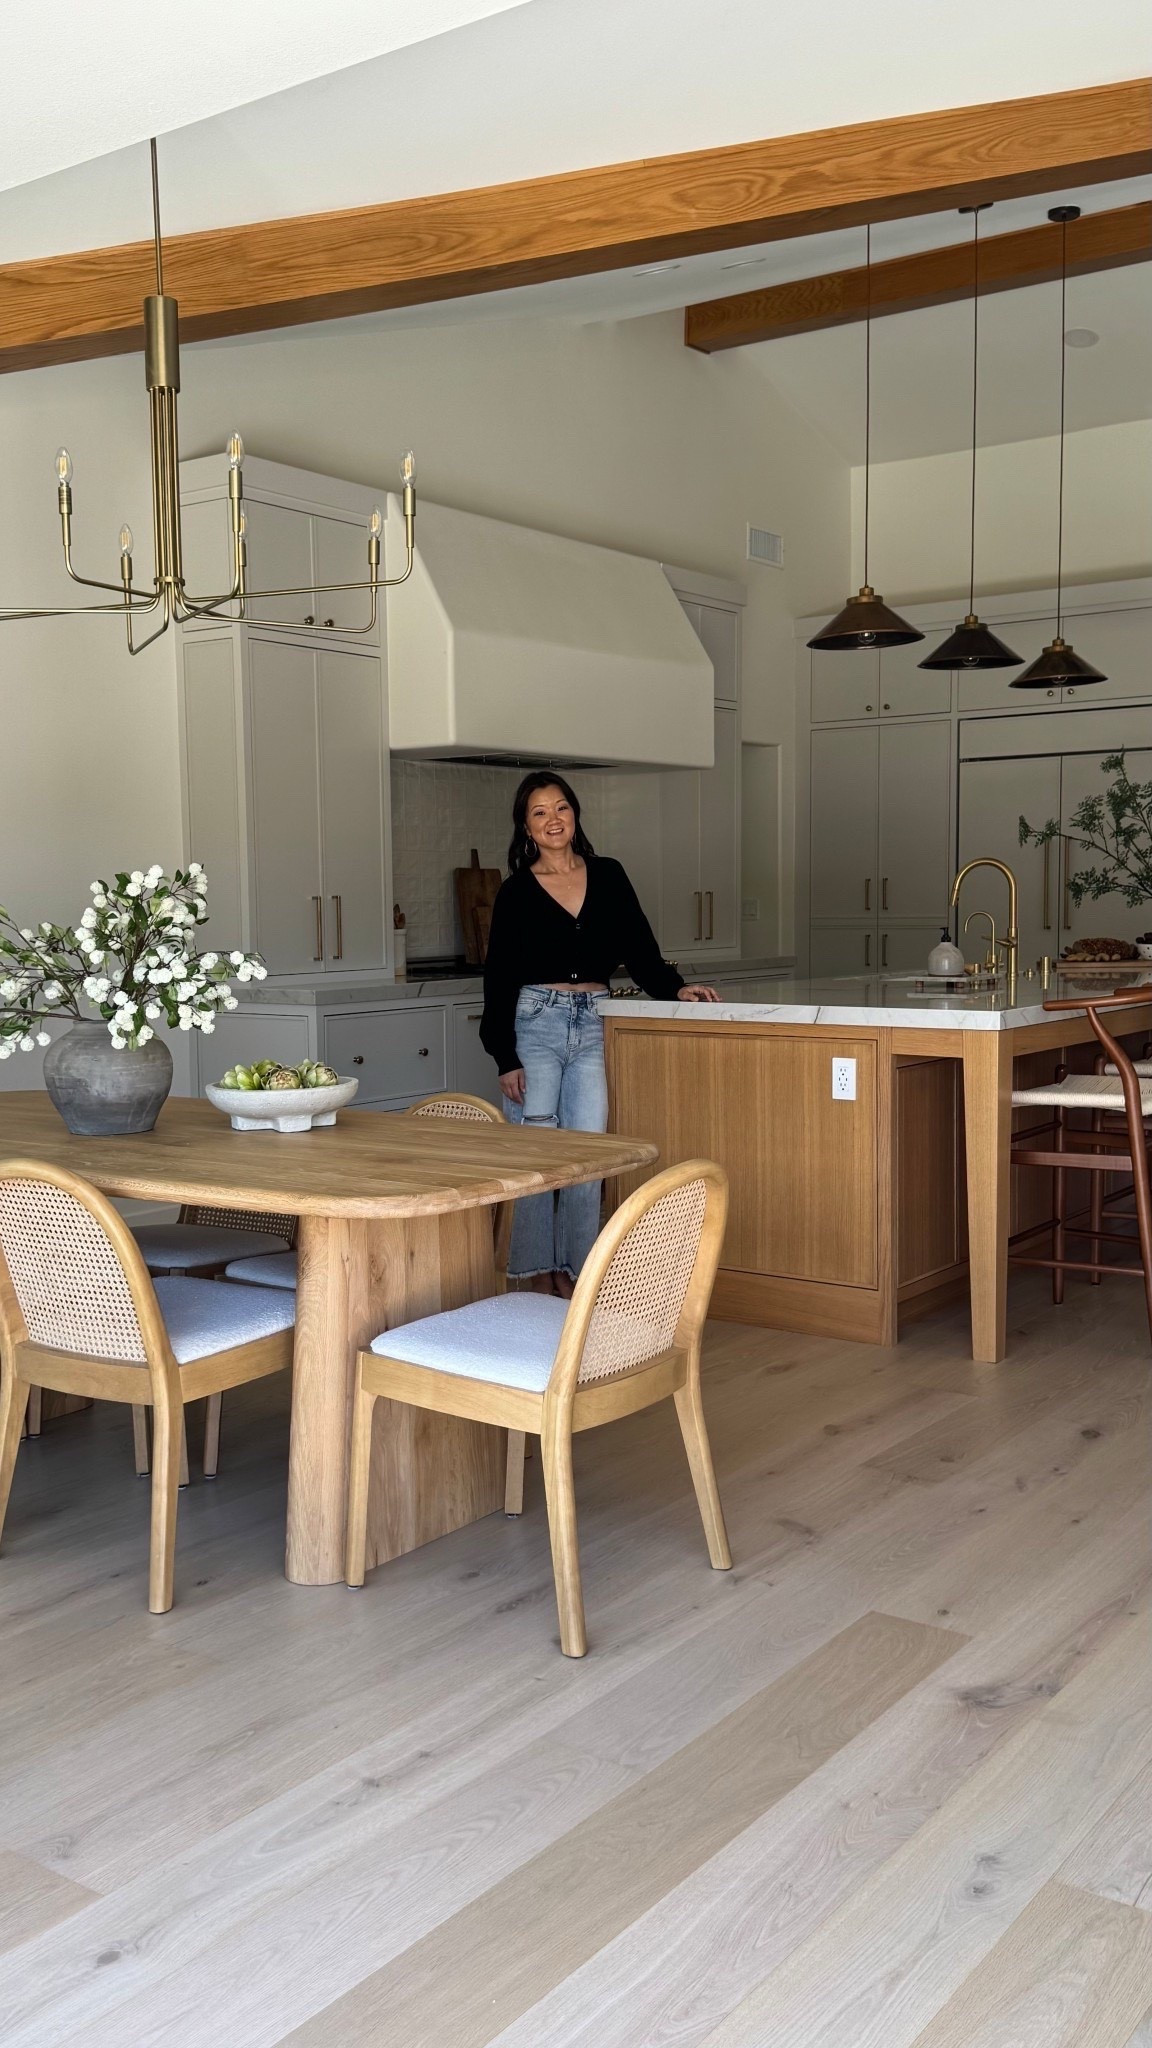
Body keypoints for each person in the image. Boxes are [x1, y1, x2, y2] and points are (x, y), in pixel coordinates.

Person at [480, 770, 719, 1295]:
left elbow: (640, 949)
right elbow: (497, 975)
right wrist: (504, 1056)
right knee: (538, 1158)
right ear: (525, 827)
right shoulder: (517, 891)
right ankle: (531, 1274)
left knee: (590, 1155)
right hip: (534, 1022)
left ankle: (577, 1273)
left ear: (575, 814)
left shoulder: (608, 874)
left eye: (560, 808)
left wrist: (675, 989)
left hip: (594, 1020)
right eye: (539, 812)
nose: (552, 820)